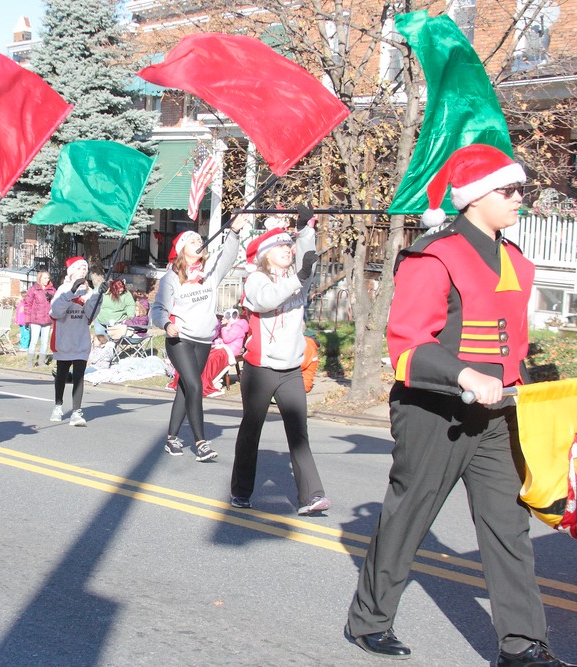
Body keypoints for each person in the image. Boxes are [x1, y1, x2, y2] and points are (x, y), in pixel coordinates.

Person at [346, 145, 574, 667]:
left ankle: (522, 646)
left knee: (508, 526)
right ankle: (369, 621)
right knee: (410, 515)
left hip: (496, 416)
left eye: (522, 190)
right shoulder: (435, 253)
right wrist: (464, 373)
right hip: (434, 412)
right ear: (474, 199)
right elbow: (407, 343)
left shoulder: (516, 258)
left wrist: (535, 390)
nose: (521, 199)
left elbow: (513, 345)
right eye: (509, 190)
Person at [229, 212, 330, 514]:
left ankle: (312, 495)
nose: (288, 249)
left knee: (299, 433)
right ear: (265, 255)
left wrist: (304, 229)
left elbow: (307, 259)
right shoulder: (256, 279)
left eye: (289, 245)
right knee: (251, 430)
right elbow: (266, 300)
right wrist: (297, 279)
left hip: (290, 371)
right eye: (281, 246)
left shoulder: (296, 279)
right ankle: (241, 491)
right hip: (259, 370)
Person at [150, 218, 244, 461]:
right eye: (192, 240)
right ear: (182, 249)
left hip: (203, 339)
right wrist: (167, 324)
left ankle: (171, 438)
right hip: (180, 339)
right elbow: (158, 309)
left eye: (200, 240)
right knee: (195, 386)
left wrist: (233, 232)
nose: (198, 242)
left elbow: (228, 257)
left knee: (186, 387)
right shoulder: (171, 278)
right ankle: (201, 442)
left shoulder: (208, 274)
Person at [48, 256, 104, 427]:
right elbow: (55, 312)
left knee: (79, 377)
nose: (83, 271)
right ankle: (58, 405)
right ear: (72, 271)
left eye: (85, 268)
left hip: (81, 340)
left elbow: (91, 315)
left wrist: (97, 296)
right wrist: (71, 292)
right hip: (65, 340)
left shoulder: (88, 291)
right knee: (62, 375)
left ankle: (76, 412)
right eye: (79, 268)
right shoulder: (63, 289)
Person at [23, 270, 55, 368]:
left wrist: (52, 297)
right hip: (35, 319)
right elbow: (28, 304)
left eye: (48, 278)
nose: (47, 280)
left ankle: (41, 362)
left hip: (47, 319)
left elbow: (57, 303)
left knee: (45, 342)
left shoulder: (52, 290)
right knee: (34, 341)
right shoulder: (34, 289)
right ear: (40, 278)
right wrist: (27, 319)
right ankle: (30, 362)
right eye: (45, 278)